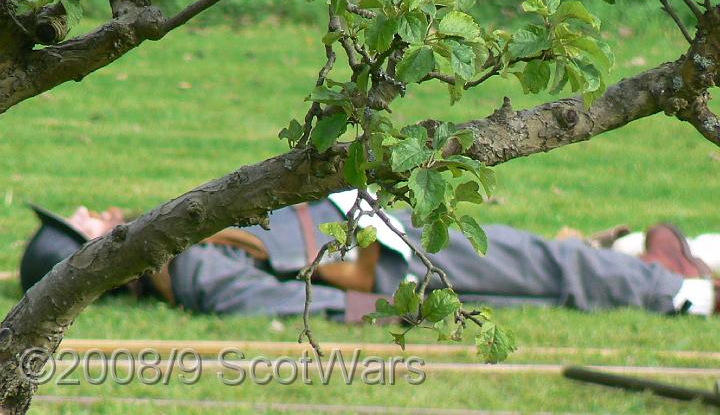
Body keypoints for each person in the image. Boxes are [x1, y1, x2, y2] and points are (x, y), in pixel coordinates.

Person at [18, 190, 719, 323]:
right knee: (542, 265)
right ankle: (680, 289)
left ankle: (643, 263)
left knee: (535, 265)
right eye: (78, 225)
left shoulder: (172, 243)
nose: (91, 212)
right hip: (394, 263)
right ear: (91, 256)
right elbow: (308, 302)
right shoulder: (195, 273)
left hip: (372, 227)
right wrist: (397, 311)